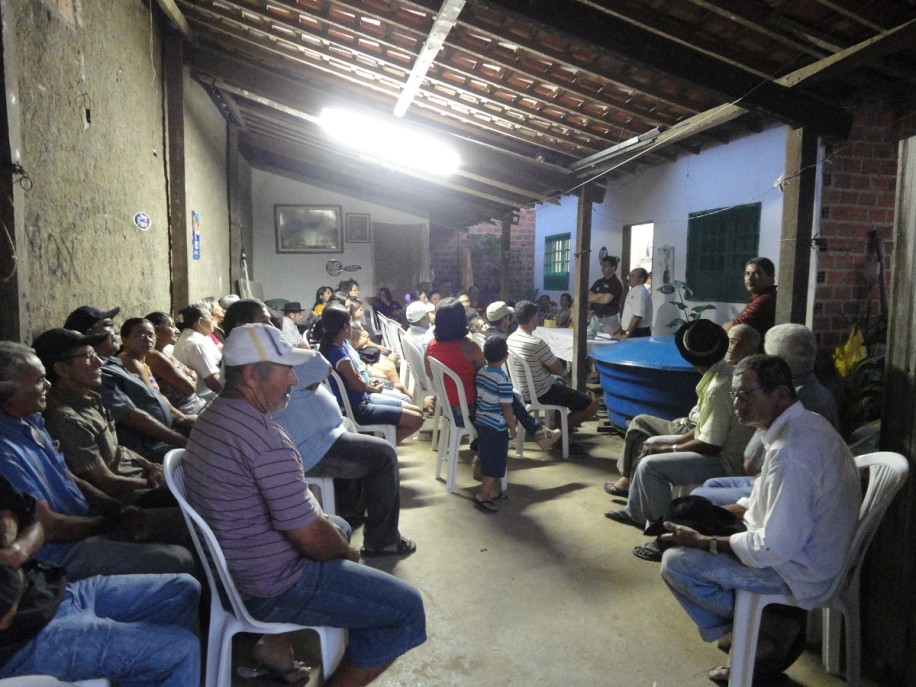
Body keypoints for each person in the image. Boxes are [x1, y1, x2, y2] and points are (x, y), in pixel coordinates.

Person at [184, 323, 426, 686]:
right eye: (286, 372)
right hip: (270, 587)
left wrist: (333, 537)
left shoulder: (212, 417)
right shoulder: (265, 439)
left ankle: (274, 647)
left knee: (338, 525)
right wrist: (348, 556)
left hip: (232, 570)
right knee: (405, 608)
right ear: (252, 373)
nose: (294, 381)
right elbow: (311, 538)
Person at [659, 355, 860, 683]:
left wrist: (706, 542)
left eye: (746, 395)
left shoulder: (792, 450)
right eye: (734, 395)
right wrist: (726, 514)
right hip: (802, 550)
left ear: (780, 395)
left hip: (801, 569)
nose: (738, 404)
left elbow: (773, 548)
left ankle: (763, 633)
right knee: (695, 511)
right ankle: (757, 634)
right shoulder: (802, 424)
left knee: (678, 563)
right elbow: (769, 501)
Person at [0, 341, 195, 581]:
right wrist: (111, 521)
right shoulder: (5, 452)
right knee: (178, 559)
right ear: (7, 393)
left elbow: (69, 476)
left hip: (89, 519)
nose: (48, 385)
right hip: (63, 550)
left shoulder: (30, 422)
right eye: (40, 380)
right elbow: (50, 528)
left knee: (189, 523)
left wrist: (120, 509)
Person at [0, 475, 201, 686]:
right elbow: (6, 610)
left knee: (183, 589)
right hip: (25, 639)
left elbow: (35, 521)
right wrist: (13, 553)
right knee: (182, 651)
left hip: (53, 589)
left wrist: (16, 551)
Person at [605, 320, 754, 537]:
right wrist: (669, 442)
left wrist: (669, 449)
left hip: (726, 462)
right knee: (650, 444)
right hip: (717, 450)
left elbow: (711, 445)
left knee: (651, 467)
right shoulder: (720, 373)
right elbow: (706, 429)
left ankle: (664, 531)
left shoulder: (718, 386)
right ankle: (636, 512)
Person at [273, 349, 415, 556]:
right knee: (383, 456)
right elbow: (319, 362)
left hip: (322, 434)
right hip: (310, 446)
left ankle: (351, 509)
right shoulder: (271, 365)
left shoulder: (274, 363)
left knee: (349, 427)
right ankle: (383, 541)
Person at [692, 323, 839, 506]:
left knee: (699, 496)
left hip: (785, 488)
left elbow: (751, 465)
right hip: (793, 482)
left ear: (776, 362)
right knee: (711, 484)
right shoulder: (823, 392)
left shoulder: (782, 399)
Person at [34, 328, 176, 509]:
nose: (99, 362)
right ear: (61, 369)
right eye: (87, 356)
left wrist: (150, 466)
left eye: (95, 354)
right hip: (129, 497)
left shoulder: (90, 397)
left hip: (139, 475)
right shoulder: (66, 419)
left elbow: (115, 449)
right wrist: (160, 483)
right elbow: (106, 482)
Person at [427, 299, 559, 452]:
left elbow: (430, 374)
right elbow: (489, 374)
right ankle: (534, 432)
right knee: (506, 392)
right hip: (473, 411)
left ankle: (530, 432)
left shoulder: (431, 346)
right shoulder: (469, 347)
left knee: (506, 392)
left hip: (449, 408)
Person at [64, 305, 187, 461]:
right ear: (91, 334)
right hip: (145, 448)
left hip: (161, 436)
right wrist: (182, 441)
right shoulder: (95, 373)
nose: (116, 331)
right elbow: (132, 417)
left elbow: (152, 396)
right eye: (108, 326)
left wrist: (181, 419)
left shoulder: (113, 362)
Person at [321, 305, 424, 444]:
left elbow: (358, 382)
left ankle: (385, 442)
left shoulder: (336, 346)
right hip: (360, 410)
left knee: (417, 412)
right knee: (417, 419)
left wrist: (368, 384)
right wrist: (371, 387)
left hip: (363, 401)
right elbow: (359, 386)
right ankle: (385, 445)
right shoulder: (339, 355)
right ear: (345, 327)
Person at [507, 300, 599, 429]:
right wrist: (545, 365)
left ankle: (557, 426)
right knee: (592, 405)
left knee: (559, 385)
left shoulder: (511, 338)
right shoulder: (536, 343)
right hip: (542, 392)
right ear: (533, 317)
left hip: (522, 391)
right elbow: (558, 369)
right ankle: (559, 432)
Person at [472, 337, 516, 513]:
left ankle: (490, 490)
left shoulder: (482, 371)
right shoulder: (502, 378)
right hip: (496, 425)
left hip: (482, 420)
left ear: (484, 354)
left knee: (488, 457)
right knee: (495, 461)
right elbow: (506, 406)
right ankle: (484, 494)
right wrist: (512, 427)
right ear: (505, 356)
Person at [144, 311, 208, 415]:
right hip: (187, 410)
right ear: (157, 330)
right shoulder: (154, 357)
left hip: (196, 404)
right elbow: (190, 388)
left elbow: (193, 373)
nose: (177, 331)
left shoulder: (165, 352)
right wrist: (187, 375)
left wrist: (189, 376)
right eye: (172, 326)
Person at [173, 304, 223, 400]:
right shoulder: (196, 343)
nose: (213, 319)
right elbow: (213, 382)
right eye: (210, 317)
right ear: (200, 321)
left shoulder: (200, 337)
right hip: (207, 398)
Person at [723, 257, 778, 336]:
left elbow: (732, 328)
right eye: (747, 273)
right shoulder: (764, 295)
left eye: (757, 274)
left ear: (771, 278)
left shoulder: (765, 299)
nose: (750, 278)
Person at [612, 268, 652, 339]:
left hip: (638, 332)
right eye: (629, 275)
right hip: (632, 331)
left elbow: (637, 316)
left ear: (641, 279)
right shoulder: (633, 291)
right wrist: (618, 328)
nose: (629, 278)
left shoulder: (640, 292)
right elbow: (628, 314)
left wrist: (627, 334)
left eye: (632, 276)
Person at [587, 255, 623, 334]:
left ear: (613, 268)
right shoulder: (599, 282)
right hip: (597, 317)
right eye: (602, 266)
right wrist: (601, 295)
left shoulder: (616, 283)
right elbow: (588, 297)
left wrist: (596, 297)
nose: (603, 268)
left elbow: (605, 300)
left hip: (610, 319)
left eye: (606, 266)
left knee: (607, 342)